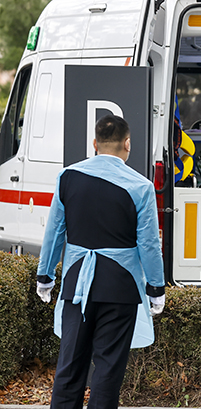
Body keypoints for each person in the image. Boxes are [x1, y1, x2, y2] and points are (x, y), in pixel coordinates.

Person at [36, 115, 166, 409]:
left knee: (69, 366)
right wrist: (156, 288)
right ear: (127, 144)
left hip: (76, 284)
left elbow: (55, 231)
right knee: (107, 371)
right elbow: (148, 244)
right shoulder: (141, 186)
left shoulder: (67, 177)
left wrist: (45, 277)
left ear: (94, 144)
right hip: (120, 289)